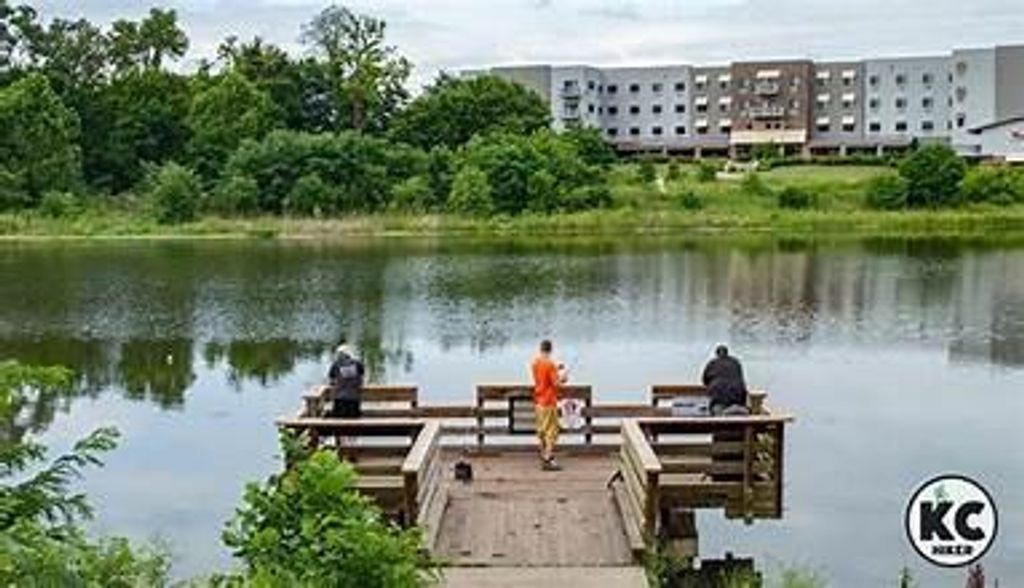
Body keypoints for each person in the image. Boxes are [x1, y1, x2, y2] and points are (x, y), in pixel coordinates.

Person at [531, 339, 567, 471]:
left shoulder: (535, 363)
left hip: (539, 401)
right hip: (549, 402)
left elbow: (543, 376)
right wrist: (563, 379)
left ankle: (544, 454)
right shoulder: (550, 364)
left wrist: (557, 369)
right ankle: (548, 459)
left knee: (542, 430)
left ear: (541, 349)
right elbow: (556, 384)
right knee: (552, 431)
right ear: (550, 350)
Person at [701, 344, 749, 415]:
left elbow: (705, 380)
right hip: (737, 394)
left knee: (716, 407)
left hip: (718, 394)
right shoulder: (736, 362)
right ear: (727, 353)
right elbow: (740, 378)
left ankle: (719, 413)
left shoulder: (712, 363)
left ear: (717, 354)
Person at [327, 339, 365, 418]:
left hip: (340, 400)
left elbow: (331, 378)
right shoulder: (358, 363)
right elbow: (362, 374)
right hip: (354, 400)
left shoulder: (336, 364)